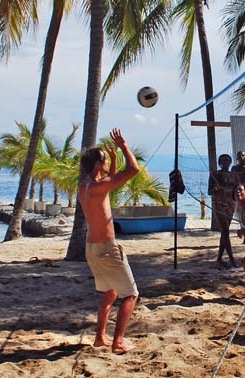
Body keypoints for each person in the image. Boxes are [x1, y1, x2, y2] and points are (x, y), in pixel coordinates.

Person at [79, 129, 141, 354]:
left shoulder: (85, 186)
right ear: (97, 165)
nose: (106, 162)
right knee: (131, 294)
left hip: (91, 249)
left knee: (111, 292)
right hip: (106, 249)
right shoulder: (97, 187)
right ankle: (118, 342)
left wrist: (113, 159)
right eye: (103, 159)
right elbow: (133, 169)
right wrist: (123, 147)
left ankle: (99, 338)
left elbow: (110, 180)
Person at [208, 154, 238, 269]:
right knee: (225, 231)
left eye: (227, 160)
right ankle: (231, 259)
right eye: (223, 160)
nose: (225, 162)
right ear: (219, 162)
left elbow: (237, 189)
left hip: (231, 204)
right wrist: (215, 189)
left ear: (230, 162)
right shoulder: (214, 174)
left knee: (224, 233)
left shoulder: (234, 175)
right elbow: (209, 191)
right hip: (219, 204)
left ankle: (219, 258)